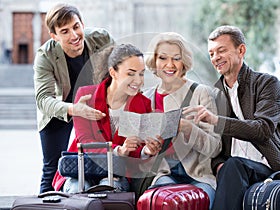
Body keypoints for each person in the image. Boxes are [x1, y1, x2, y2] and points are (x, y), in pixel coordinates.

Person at [183, 25, 280, 210]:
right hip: (232, 172)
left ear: (241, 50)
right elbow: (215, 148)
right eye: (211, 53)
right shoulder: (214, 94)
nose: (215, 58)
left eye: (221, 50)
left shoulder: (266, 83)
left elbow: (263, 129)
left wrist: (216, 121)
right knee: (230, 166)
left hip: (268, 167)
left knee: (234, 165)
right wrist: (218, 165)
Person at [52, 43, 163, 193]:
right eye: (130, 73)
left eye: (141, 73)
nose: (138, 81)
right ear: (113, 72)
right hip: (82, 167)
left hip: (117, 173)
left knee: (108, 187)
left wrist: (146, 151)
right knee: (77, 188)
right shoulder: (86, 96)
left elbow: (136, 152)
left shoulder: (143, 104)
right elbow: (85, 141)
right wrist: (118, 150)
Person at [33, 3, 114, 193]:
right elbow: (43, 99)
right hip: (61, 108)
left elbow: (121, 68)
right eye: (65, 31)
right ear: (54, 36)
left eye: (76, 27)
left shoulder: (101, 39)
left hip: (96, 106)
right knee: (52, 168)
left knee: (108, 161)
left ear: (82, 24)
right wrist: (73, 109)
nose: (74, 35)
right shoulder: (45, 56)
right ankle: (45, 204)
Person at [143, 32, 222, 209]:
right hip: (164, 174)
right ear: (154, 61)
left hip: (198, 176)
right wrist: (147, 149)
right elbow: (139, 151)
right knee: (162, 201)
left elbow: (215, 148)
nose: (169, 65)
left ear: (184, 61)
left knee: (199, 202)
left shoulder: (201, 92)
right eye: (163, 58)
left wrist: (188, 129)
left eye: (176, 58)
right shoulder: (146, 97)